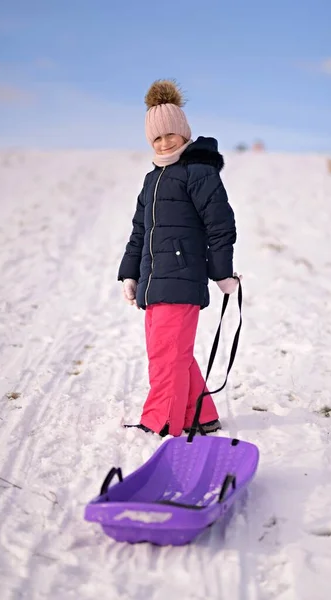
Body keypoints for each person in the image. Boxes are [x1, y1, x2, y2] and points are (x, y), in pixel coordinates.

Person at [117, 79, 239, 437]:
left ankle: (162, 422)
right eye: (157, 138)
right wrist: (130, 274)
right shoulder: (152, 180)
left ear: (184, 133)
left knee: (166, 358)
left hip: (182, 279)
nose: (165, 142)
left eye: (171, 134)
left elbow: (220, 224)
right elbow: (140, 231)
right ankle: (201, 415)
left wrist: (222, 273)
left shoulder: (197, 173)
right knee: (174, 354)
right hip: (154, 283)